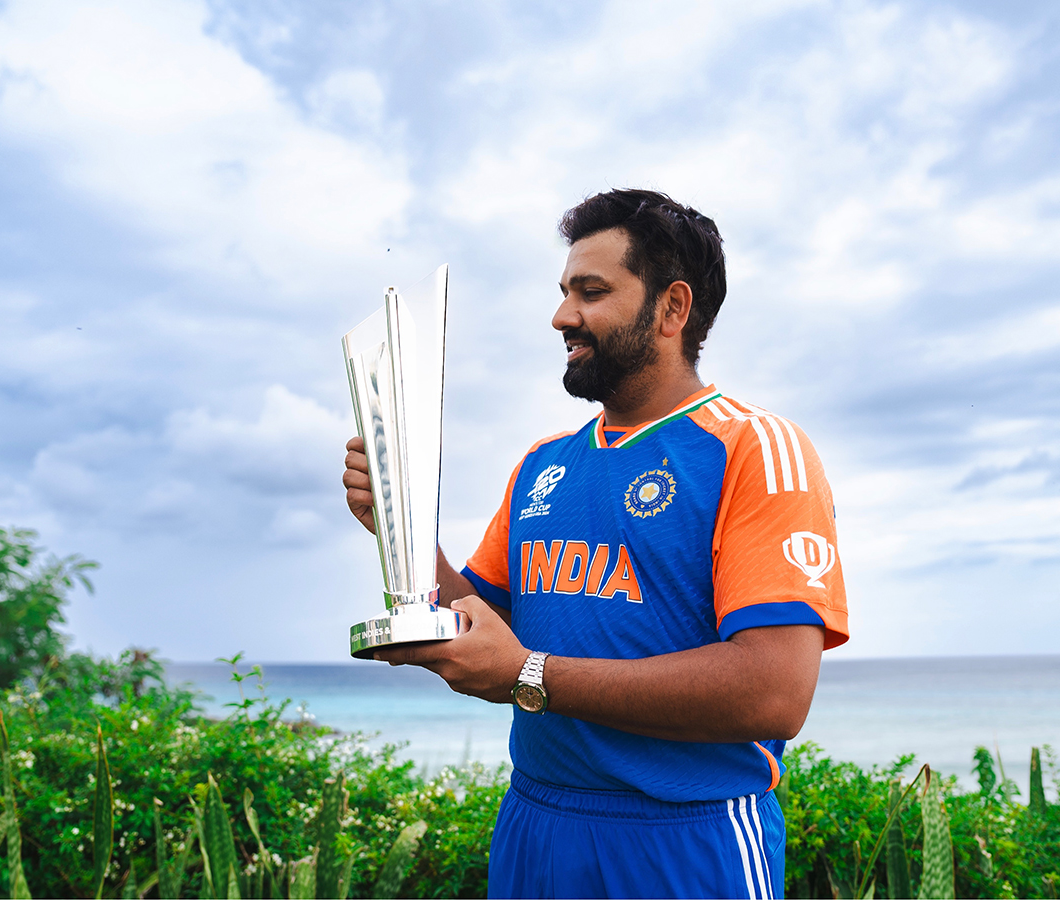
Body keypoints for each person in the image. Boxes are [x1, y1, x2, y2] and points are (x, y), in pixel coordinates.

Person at [343, 188, 849, 899]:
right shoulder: (544, 464)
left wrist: (530, 675)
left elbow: (774, 693)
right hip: (536, 821)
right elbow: (486, 628)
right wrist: (400, 530)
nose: (561, 316)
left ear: (673, 309)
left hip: (683, 835)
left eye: (591, 291)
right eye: (563, 291)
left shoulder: (754, 448)